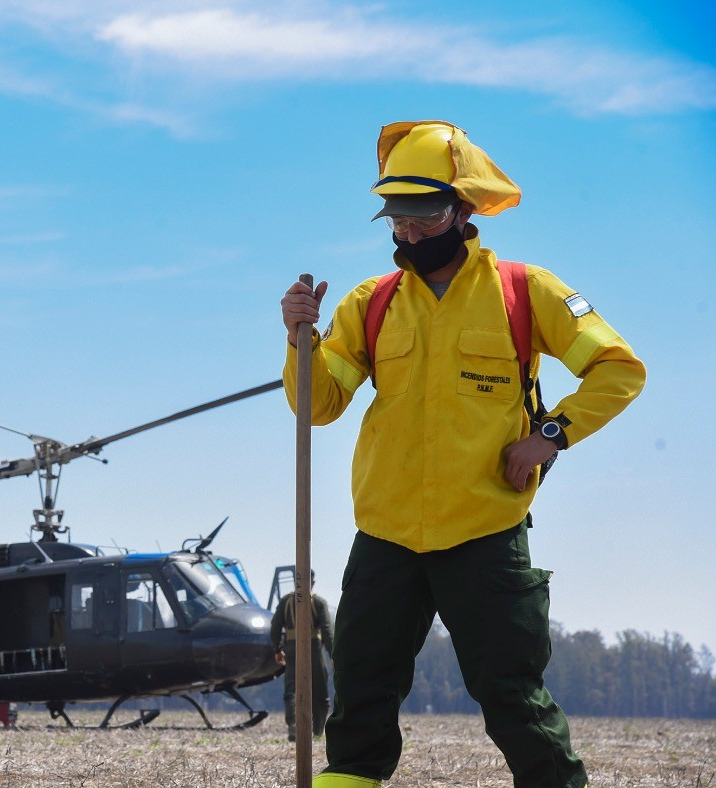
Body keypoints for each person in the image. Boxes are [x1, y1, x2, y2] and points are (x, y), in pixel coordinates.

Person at [279, 120, 645, 788]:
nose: (409, 235)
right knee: (358, 703)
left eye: (425, 217)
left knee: (512, 700)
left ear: (464, 210)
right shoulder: (372, 302)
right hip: (386, 533)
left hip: (485, 531)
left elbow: (620, 369)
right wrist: (298, 340)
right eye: (397, 221)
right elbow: (319, 406)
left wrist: (552, 435)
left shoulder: (524, 291)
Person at [270, 568, 333, 739]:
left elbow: (275, 627)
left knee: (292, 688)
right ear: (312, 582)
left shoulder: (285, 602)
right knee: (320, 689)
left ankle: (293, 724)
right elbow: (327, 630)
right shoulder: (318, 602)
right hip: (312, 647)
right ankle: (318, 730)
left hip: (291, 647)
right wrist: (332, 654)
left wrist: (277, 649)